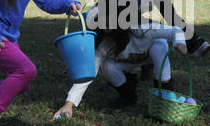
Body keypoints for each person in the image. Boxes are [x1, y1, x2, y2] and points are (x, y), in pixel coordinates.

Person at [52, 6, 188, 115]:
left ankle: (165, 98)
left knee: (160, 47)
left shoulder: (140, 28)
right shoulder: (102, 44)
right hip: (128, 62)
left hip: (150, 55)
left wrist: (179, 43)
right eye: (100, 20)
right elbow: (88, 74)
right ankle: (128, 96)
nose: (104, 24)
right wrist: (69, 104)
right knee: (108, 66)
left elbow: (175, 31)